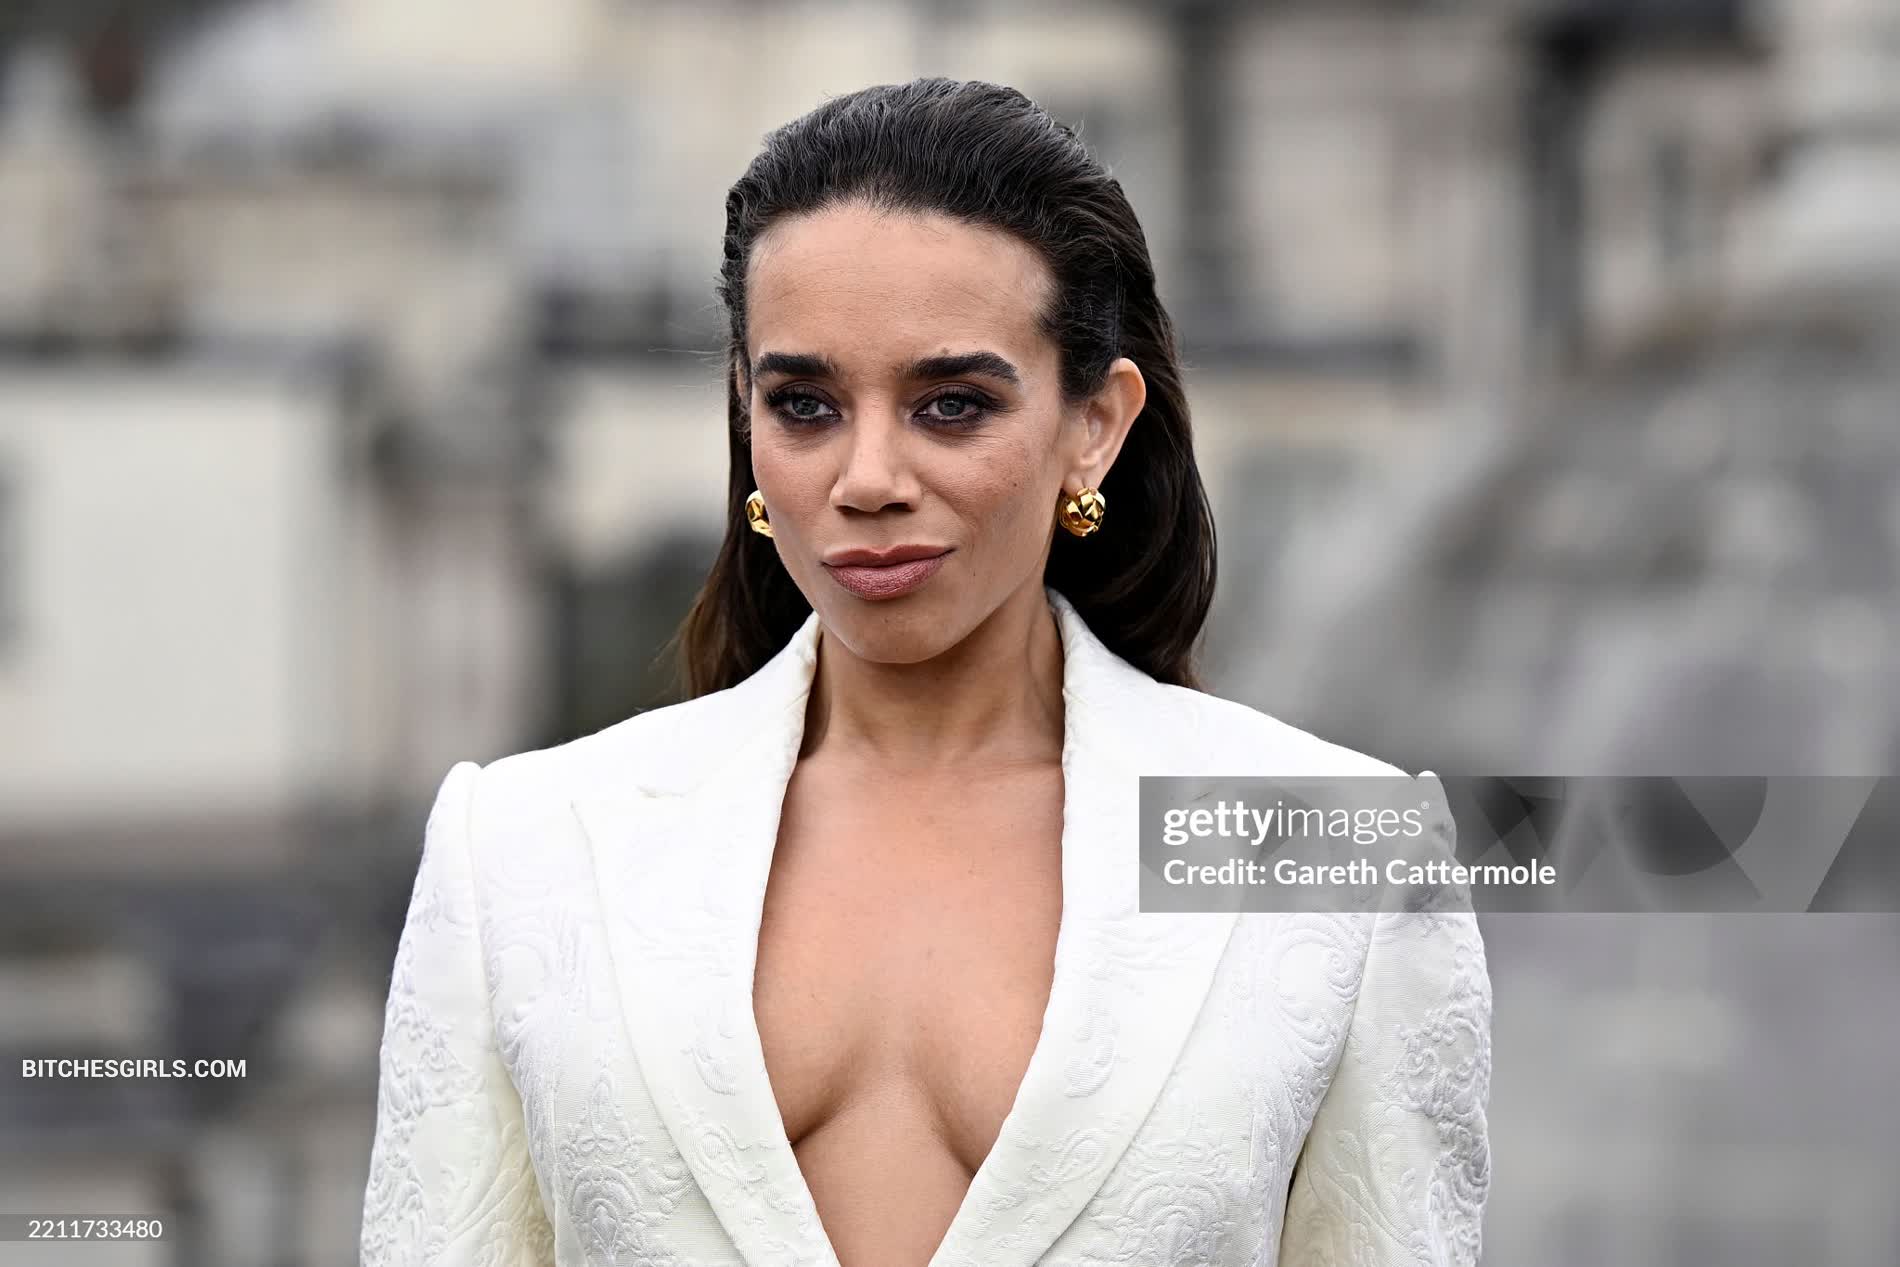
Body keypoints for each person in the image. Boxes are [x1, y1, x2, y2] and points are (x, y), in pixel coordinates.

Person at [360, 77, 1491, 1267]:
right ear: (745, 415)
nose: (867, 479)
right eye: (805, 405)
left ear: (1095, 424)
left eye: (951, 405)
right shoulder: (523, 847)